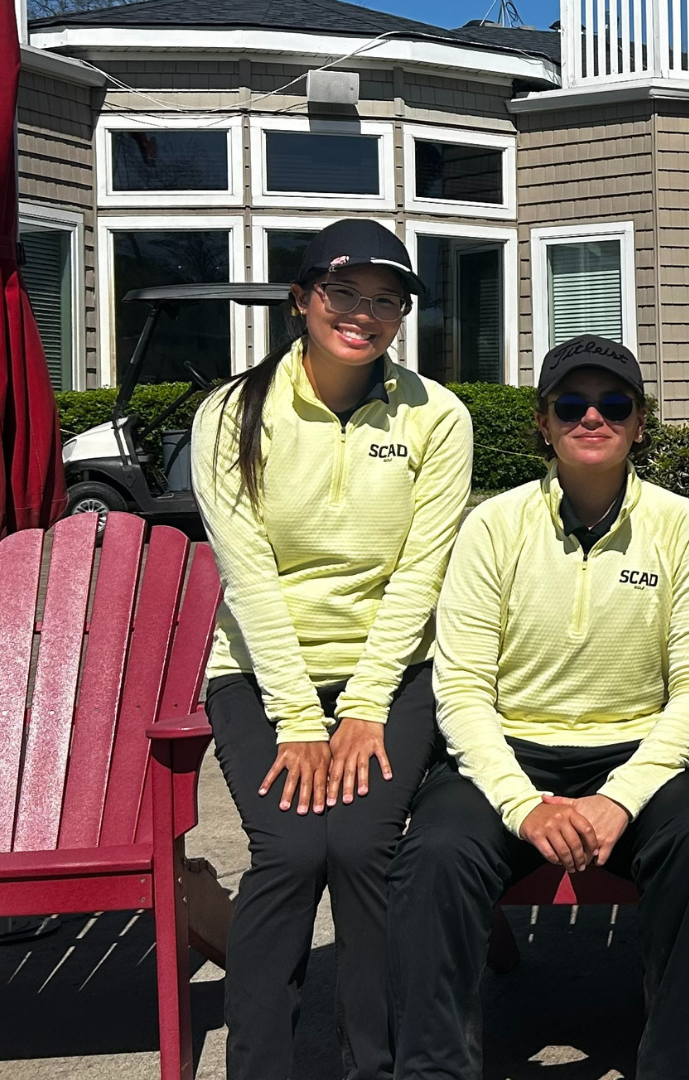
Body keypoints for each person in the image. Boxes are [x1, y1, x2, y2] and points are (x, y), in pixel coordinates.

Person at [383, 335, 689, 1079]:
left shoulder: (685, 527)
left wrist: (620, 799)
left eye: (614, 403)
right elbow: (462, 689)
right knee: (437, 852)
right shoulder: (494, 527)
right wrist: (524, 805)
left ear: (641, 422)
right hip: (512, 751)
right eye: (570, 404)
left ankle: (682, 1066)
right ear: (542, 423)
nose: (592, 417)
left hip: (638, 752)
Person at [192, 219, 473, 1080]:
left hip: (393, 674)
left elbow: (419, 580)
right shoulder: (231, 416)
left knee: (359, 848)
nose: (364, 313)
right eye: (344, 291)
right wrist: (302, 719)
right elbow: (250, 581)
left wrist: (361, 706)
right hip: (261, 674)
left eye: (386, 299)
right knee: (288, 850)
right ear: (302, 298)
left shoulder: (438, 417)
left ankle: (373, 1065)